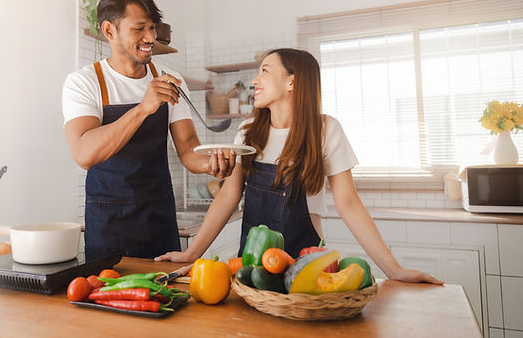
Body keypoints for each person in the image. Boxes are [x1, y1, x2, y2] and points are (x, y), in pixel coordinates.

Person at [156, 48, 442, 285]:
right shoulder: (247, 132)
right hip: (251, 268)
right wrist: (192, 253)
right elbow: (228, 197)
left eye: (265, 71)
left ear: (292, 82)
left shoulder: (325, 130)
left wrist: (394, 270)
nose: (255, 79)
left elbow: (349, 203)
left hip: (307, 268)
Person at [62, 0, 235, 259]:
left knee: (170, 298)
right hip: (109, 224)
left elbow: (189, 149)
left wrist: (211, 164)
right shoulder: (85, 82)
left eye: (153, 28)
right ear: (109, 30)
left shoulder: (169, 79)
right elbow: (84, 153)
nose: (150, 37)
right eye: (139, 29)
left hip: (159, 220)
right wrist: (144, 108)